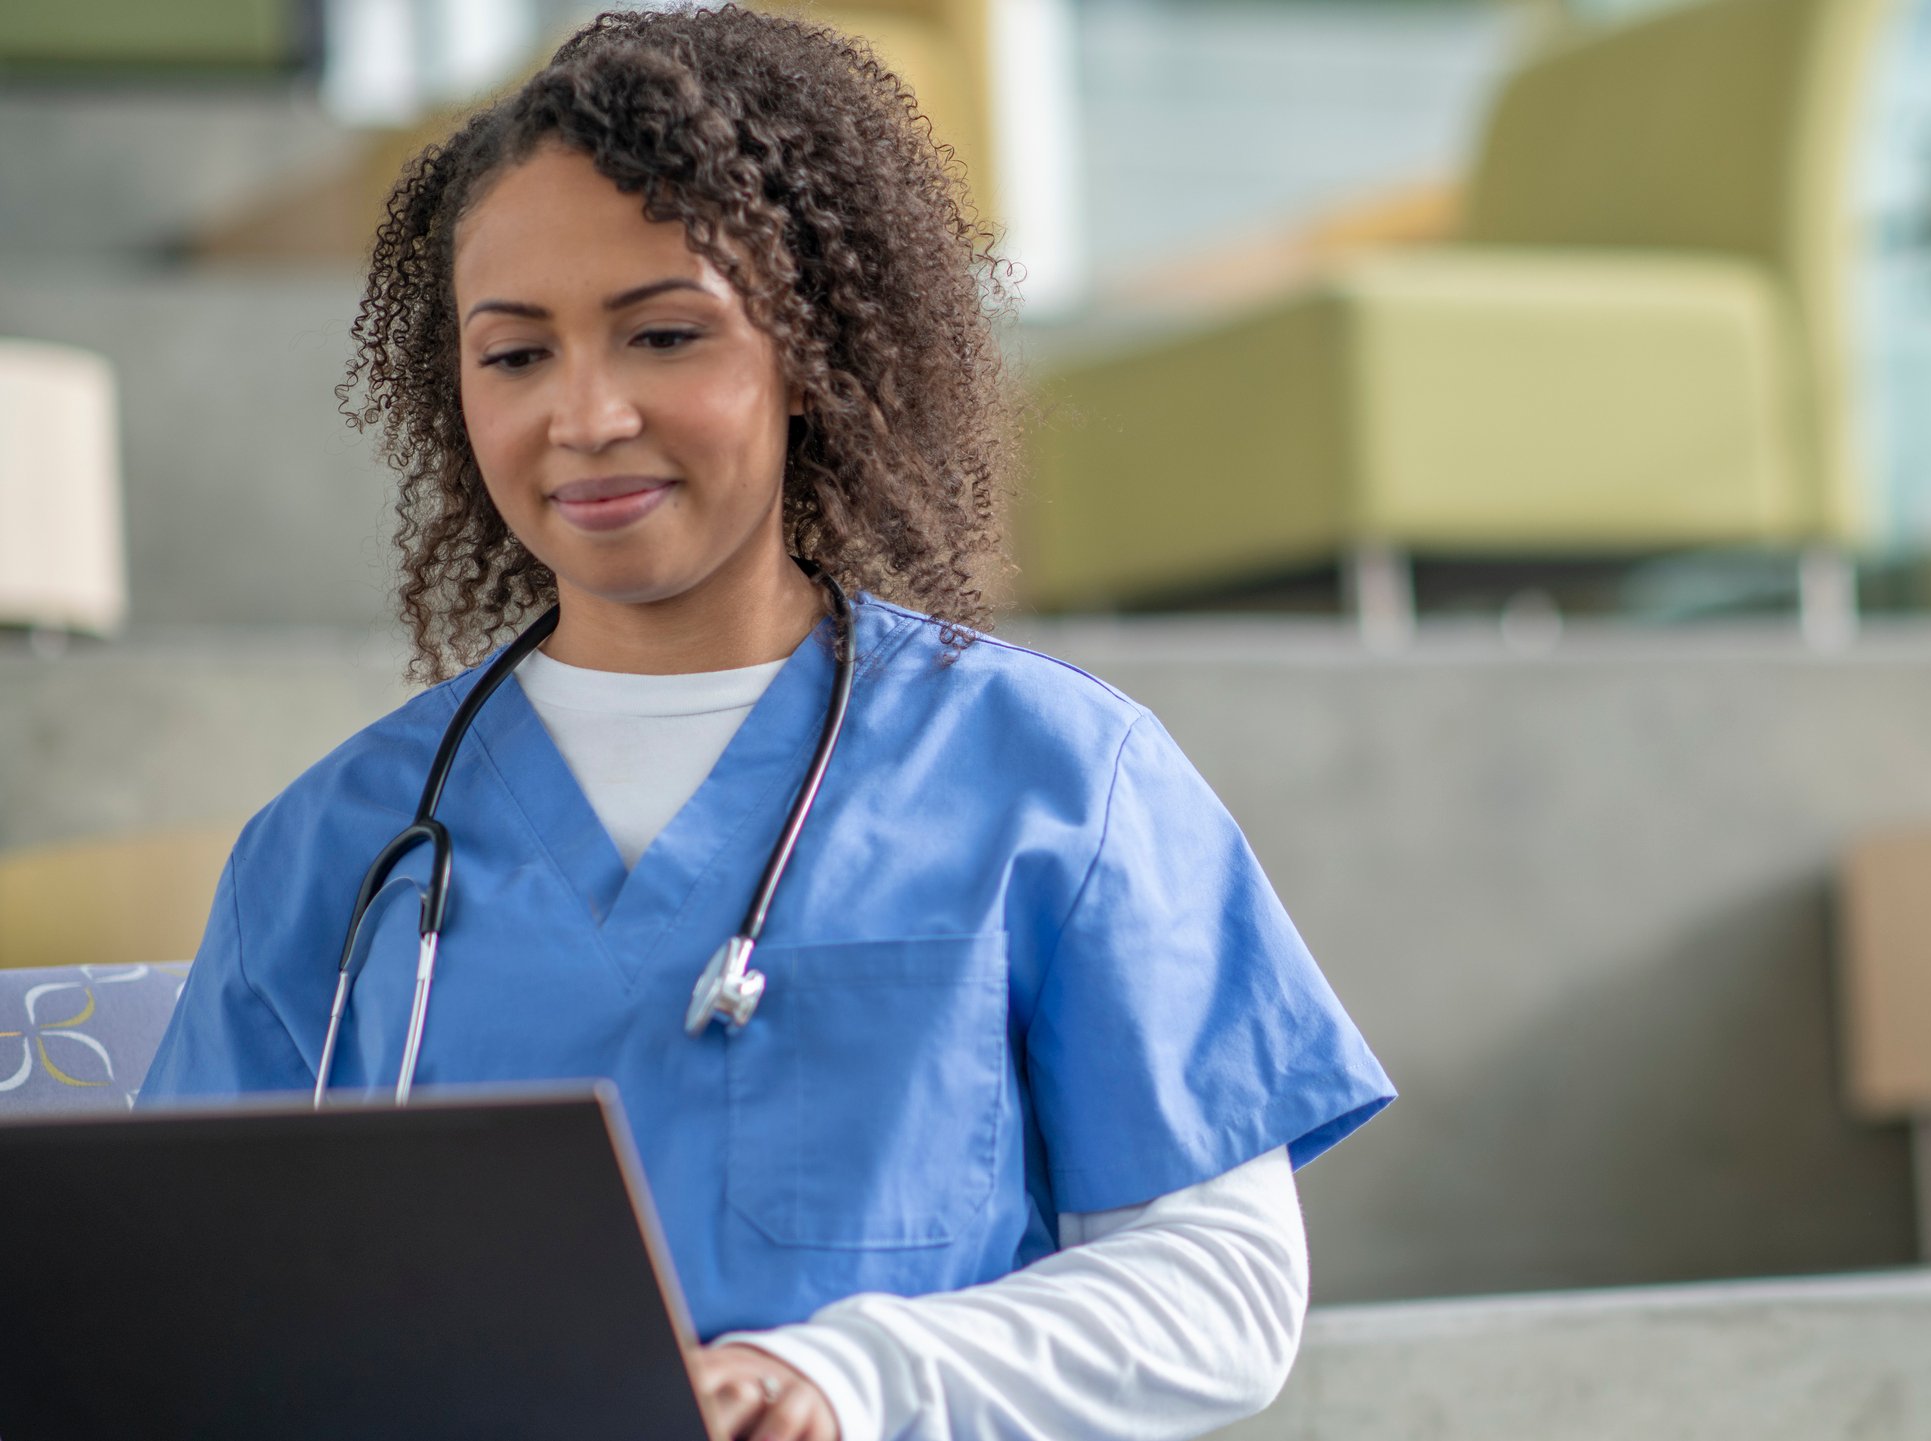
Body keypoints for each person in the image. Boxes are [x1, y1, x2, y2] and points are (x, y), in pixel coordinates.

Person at [141, 7, 1393, 1439]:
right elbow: (185, 1305)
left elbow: (1219, 1289)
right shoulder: (335, 850)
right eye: (516, 355)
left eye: (665, 334)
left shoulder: (1058, 782)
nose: (588, 414)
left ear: (814, 351)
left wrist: (850, 1372)